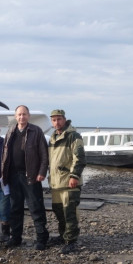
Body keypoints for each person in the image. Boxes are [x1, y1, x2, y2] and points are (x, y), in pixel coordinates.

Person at [1, 105, 49, 250]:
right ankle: (15, 238)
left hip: (31, 176)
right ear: (16, 117)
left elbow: (44, 154)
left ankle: (42, 238)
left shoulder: (36, 131)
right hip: (13, 176)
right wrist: (4, 174)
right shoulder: (10, 131)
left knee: (36, 207)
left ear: (28, 116)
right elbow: (5, 154)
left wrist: (42, 172)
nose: (22, 117)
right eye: (19, 114)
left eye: (24, 114)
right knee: (15, 208)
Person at [48, 109, 86, 254]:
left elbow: (80, 158)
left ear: (64, 119)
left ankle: (71, 241)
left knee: (70, 212)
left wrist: (74, 176)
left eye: (59, 119)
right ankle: (63, 235)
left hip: (69, 182)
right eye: (54, 120)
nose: (56, 122)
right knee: (59, 211)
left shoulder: (73, 136)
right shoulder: (53, 137)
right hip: (56, 183)